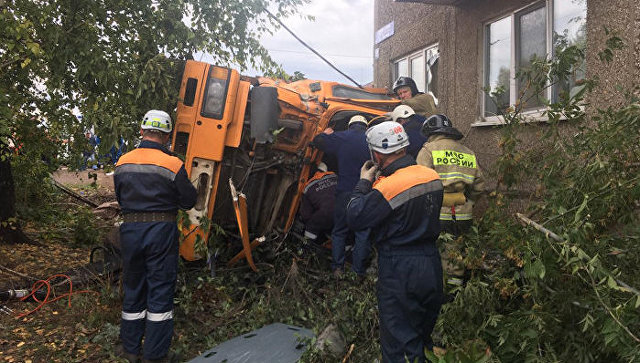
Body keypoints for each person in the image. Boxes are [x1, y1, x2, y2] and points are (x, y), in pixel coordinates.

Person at [346, 121, 444, 363]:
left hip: (400, 267)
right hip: (431, 263)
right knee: (422, 335)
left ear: (377, 154)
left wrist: (364, 183)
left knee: (400, 342)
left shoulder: (388, 187)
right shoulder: (430, 175)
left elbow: (355, 216)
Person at [114, 109, 197, 363]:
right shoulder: (173, 164)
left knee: (133, 287)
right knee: (160, 289)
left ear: (142, 131)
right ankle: (155, 355)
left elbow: (120, 197)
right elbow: (188, 201)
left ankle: (130, 349)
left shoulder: (122, 161)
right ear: (167, 135)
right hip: (160, 232)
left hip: (130, 231)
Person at [416, 114, 485, 288]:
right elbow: (479, 186)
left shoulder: (428, 150)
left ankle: (441, 291)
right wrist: (468, 202)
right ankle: (456, 291)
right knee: (456, 253)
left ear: (430, 132)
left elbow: (419, 182)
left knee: (436, 252)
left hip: (438, 212)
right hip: (463, 213)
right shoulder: (468, 152)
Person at [312, 115, 371, 277]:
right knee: (362, 232)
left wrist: (326, 133)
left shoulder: (342, 137)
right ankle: (358, 271)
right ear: (366, 126)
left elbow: (318, 141)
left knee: (339, 231)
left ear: (349, 126)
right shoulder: (371, 138)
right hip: (365, 192)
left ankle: (338, 268)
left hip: (344, 191)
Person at [298, 162, 337, 243]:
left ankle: (306, 244)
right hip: (347, 209)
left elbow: (306, 214)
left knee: (312, 226)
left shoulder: (308, 187)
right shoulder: (335, 177)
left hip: (326, 213)